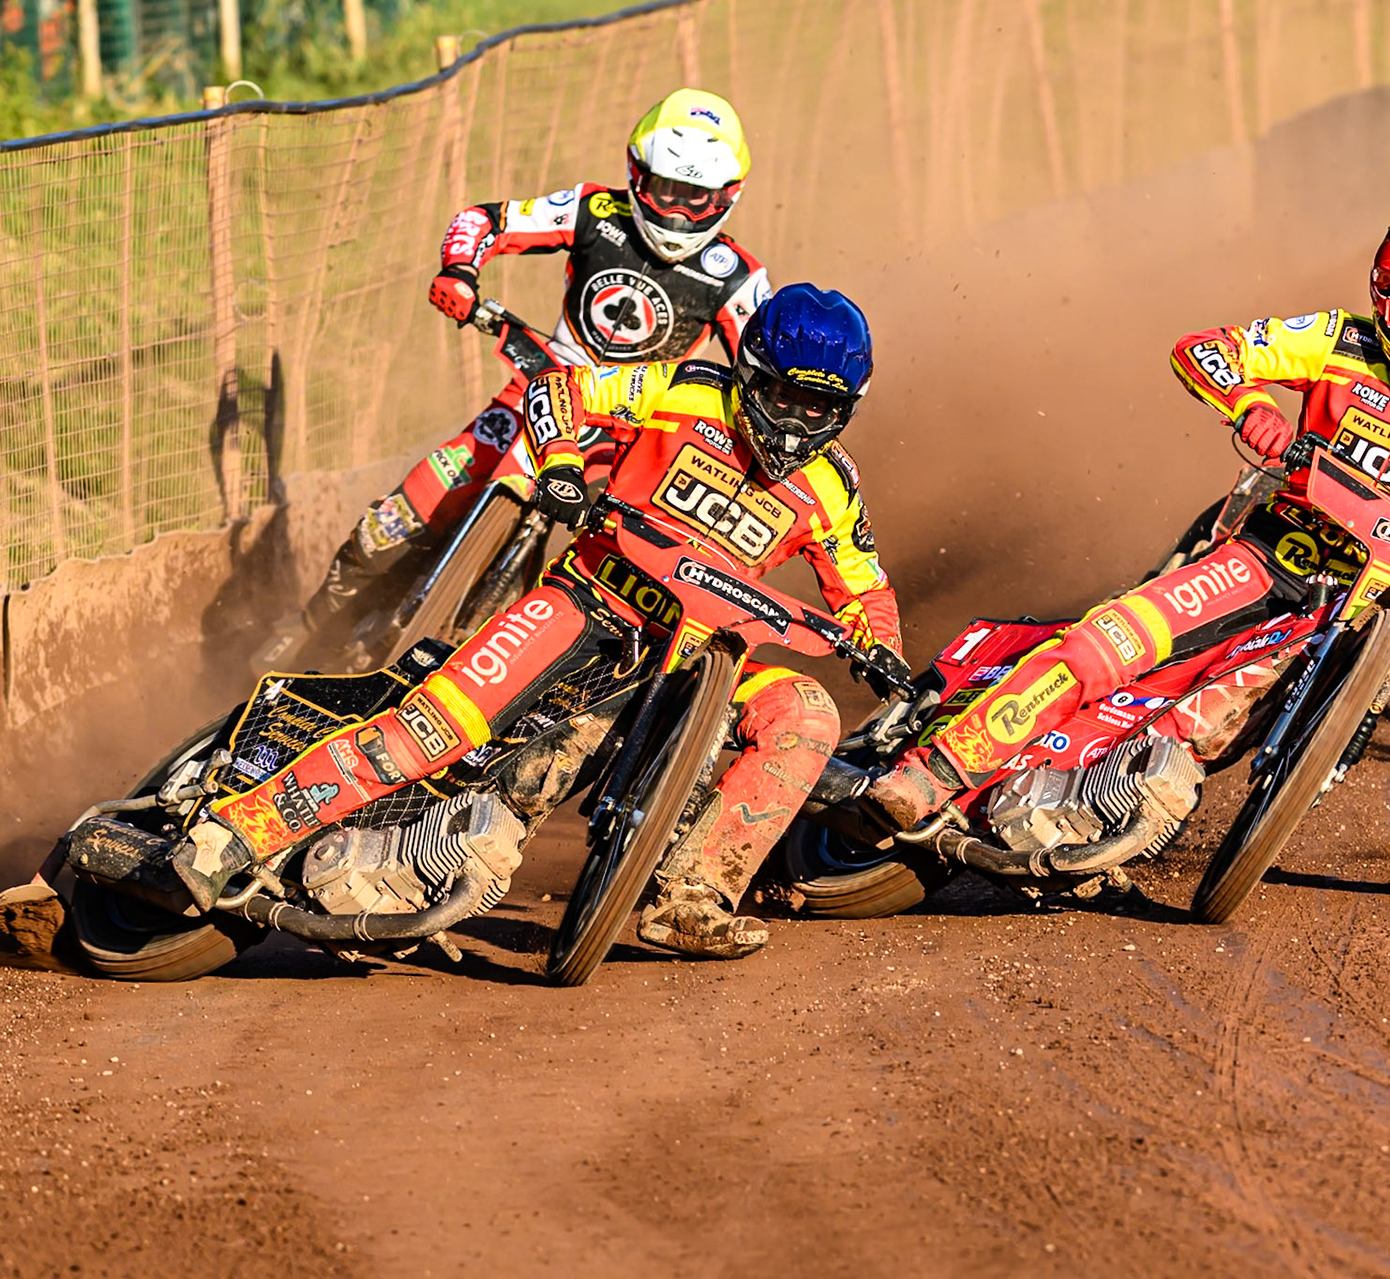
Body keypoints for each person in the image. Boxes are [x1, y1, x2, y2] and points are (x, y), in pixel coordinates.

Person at [868, 216, 1390, 892]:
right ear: (1387, 310)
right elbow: (1207, 350)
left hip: (1377, 602)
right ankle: (938, 767)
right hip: (1270, 554)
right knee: (1115, 640)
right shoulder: (1335, 341)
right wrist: (1253, 407)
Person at [180, 284, 905, 960]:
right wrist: (558, 463)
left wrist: (883, 653)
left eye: (821, 408)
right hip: (589, 603)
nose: (797, 420)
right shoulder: (682, 386)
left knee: (808, 712)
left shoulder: (834, 486)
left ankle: (690, 896)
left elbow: (865, 589)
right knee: (435, 728)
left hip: (697, 665)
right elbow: (559, 389)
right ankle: (236, 830)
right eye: (784, 396)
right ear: (749, 371)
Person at [258, 87, 775, 668]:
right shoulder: (593, 210)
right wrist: (459, 270)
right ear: (636, 176)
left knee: (618, 572)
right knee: (388, 524)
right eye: (664, 190)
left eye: (696, 198)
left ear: (728, 198)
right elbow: (483, 220)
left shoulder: (738, 277)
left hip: (627, 439)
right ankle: (306, 625)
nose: (676, 211)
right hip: (530, 397)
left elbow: (762, 378)